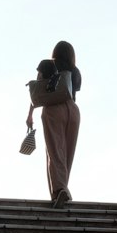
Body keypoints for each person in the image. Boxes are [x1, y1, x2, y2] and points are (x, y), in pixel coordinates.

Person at [27, 40, 81, 208]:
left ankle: (59, 191)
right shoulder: (75, 71)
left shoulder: (48, 65)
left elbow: (38, 92)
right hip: (73, 111)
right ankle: (62, 188)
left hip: (53, 110)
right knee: (66, 154)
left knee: (54, 151)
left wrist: (30, 114)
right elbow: (73, 91)